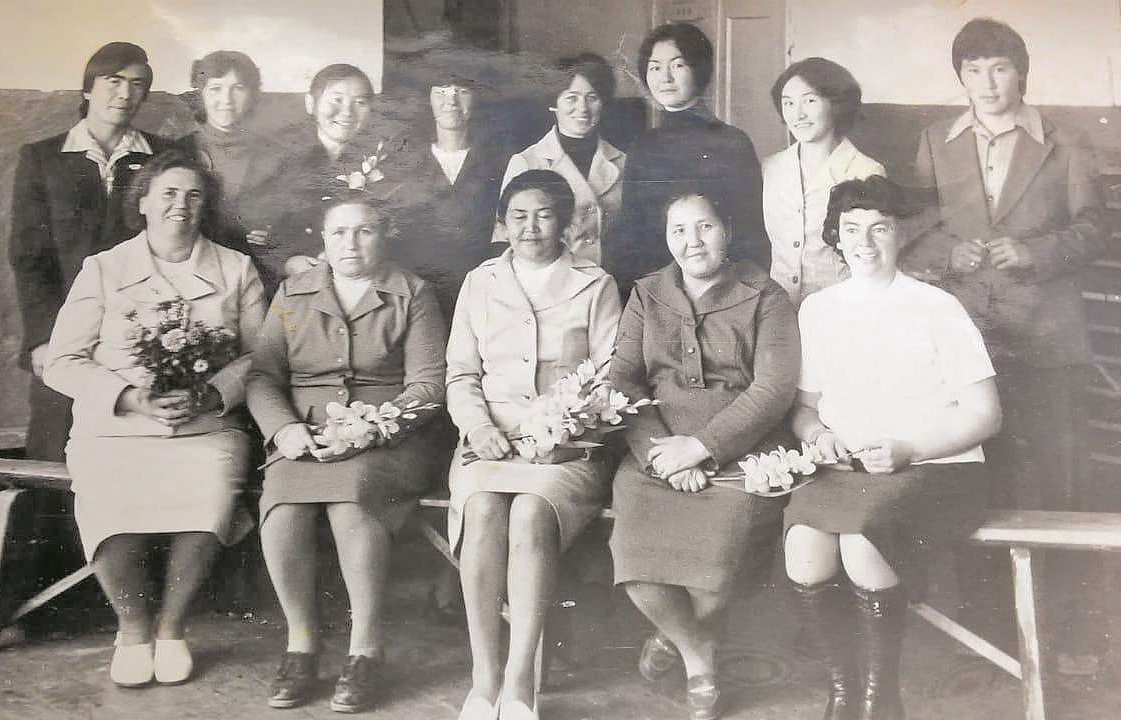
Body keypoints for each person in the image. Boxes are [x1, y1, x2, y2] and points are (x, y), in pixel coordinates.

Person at [901, 17, 1108, 680]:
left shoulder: (1065, 141)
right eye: (973, 70)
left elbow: (1095, 228)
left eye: (999, 68)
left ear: (1021, 73)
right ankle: (986, 639)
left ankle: (1069, 635)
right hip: (968, 341)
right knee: (974, 482)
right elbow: (914, 226)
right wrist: (948, 253)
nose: (987, 83)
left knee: (1058, 485)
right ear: (959, 77)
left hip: (1047, 338)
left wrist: (1035, 252)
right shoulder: (935, 142)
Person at [41, 149, 266, 687]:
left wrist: (213, 394)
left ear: (206, 205)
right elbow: (61, 361)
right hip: (116, 428)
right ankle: (134, 628)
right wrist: (129, 397)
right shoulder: (104, 269)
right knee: (109, 498)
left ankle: (171, 628)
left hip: (205, 427)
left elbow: (263, 357)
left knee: (210, 493)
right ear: (142, 202)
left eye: (193, 195)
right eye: (167, 193)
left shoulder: (236, 269)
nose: (180, 205)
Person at [787, 176, 1002, 720]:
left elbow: (986, 414)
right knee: (803, 548)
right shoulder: (817, 310)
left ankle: (880, 699)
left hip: (936, 466)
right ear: (834, 237)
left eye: (879, 228)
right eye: (851, 229)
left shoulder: (938, 307)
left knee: (863, 542)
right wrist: (820, 437)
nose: (864, 242)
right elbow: (805, 410)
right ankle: (843, 690)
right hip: (848, 473)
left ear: (900, 234)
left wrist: (909, 449)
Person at [246, 193, 448, 713]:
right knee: (282, 511)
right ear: (323, 239)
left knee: (353, 502)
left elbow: (428, 386)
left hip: (389, 438)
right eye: (339, 232)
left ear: (384, 236)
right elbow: (263, 376)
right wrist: (284, 430)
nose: (351, 243)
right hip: (307, 436)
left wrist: (371, 430)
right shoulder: (293, 293)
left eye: (365, 231)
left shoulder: (413, 293)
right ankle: (301, 646)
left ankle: (365, 652)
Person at [609, 189, 798, 720]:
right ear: (666, 239)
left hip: (743, 451)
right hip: (657, 452)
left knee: (717, 568)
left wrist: (702, 448)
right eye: (679, 231)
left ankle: (672, 638)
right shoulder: (647, 293)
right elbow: (622, 380)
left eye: (705, 227)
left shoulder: (766, 296)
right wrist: (659, 455)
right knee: (638, 562)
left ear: (727, 231)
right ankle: (698, 655)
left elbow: (774, 389)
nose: (692, 241)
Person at [445, 170, 622, 720]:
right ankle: (484, 678)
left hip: (567, 448)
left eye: (544, 215)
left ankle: (520, 681)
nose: (531, 227)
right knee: (481, 508)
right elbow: (459, 374)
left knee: (529, 512)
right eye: (518, 216)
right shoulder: (479, 283)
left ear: (565, 223)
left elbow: (612, 377)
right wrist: (478, 428)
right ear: (503, 223)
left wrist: (566, 431)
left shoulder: (595, 285)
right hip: (489, 442)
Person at [10, 41, 171, 462]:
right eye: (113, 81)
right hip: (65, 327)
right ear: (88, 88)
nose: (125, 93)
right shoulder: (43, 158)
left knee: (134, 448)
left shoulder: (164, 157)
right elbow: (30, 258)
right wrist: (43, 338)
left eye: (137, 84)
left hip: (140, 329)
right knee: (54, 450)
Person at [614, 22, 765, 295]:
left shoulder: (732, 142)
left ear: (699, 69)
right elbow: (631, 235)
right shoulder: (642, 147)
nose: (665, 77)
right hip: (656, 293)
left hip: (724, 292)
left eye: (678, 65)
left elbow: (750, 234)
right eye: (655, 67)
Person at [244, 63, 383, 293]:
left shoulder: (380, 159)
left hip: (360, 277)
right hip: (290, 281)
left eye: (360, 102)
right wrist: (286, 263)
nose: (347, 112)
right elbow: (253, 235)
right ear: (311, 104)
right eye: (337, 100)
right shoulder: (275, 158)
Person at [764, 57, 884, 307]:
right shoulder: (770, 168)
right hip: (777, 310)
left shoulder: (866, 172)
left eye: (810, 100)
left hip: (840, 308)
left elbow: (874, 257)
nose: (798, 114)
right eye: (788, 103)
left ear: (835, 103)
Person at [392, 74, 507, 319]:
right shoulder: (403, 161)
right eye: (441, 92)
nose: (451, 101)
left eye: (461, 91)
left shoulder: (500, 161)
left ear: (475, 98)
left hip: (483, 290)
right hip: (419, 294)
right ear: (428, 99)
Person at [497, 53, 625, 267]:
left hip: (611, 278)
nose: (582, 108)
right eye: (571, 98)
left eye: (592, 98)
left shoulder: (622, 161)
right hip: (552, 279)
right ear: (553, 102)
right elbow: (504, 236)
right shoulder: (526, 161)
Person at [179, 50, 283, 259]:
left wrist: (276, 234)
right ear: (201, 94)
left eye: (238, 88)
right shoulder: (179, 150)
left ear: (252, 95)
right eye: (215, 89)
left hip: (253, 260)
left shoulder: (276, 155)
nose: (227, 99)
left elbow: (289, 217)